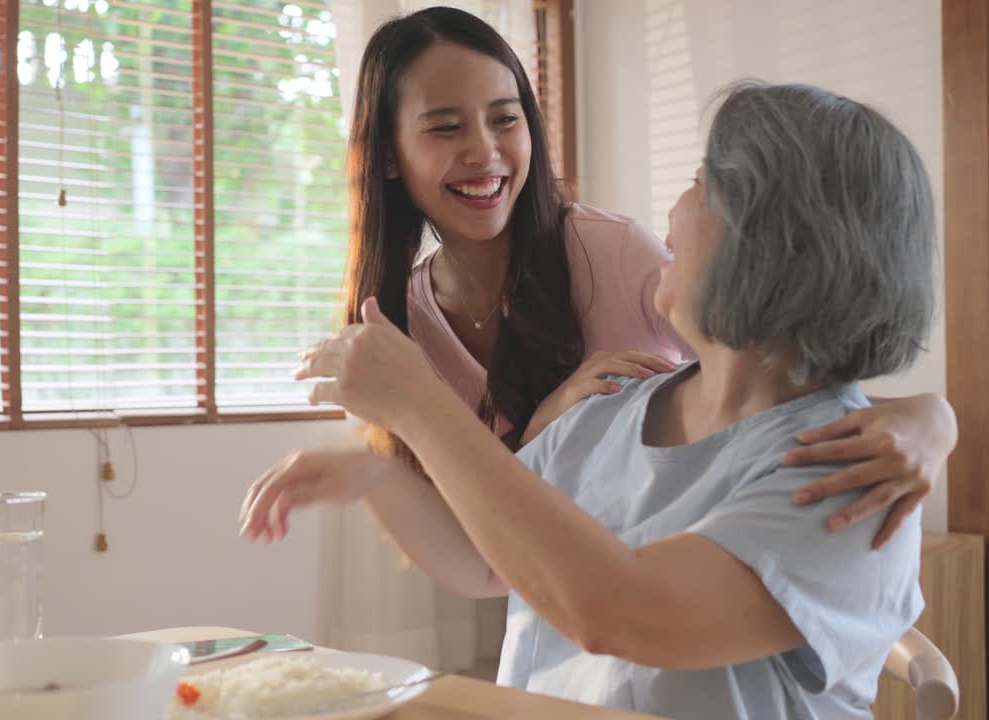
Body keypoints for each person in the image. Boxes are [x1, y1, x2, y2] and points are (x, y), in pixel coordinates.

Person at [246, 80, 936, 719]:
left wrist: (421, 407)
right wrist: (375, 473)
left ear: (776, 240)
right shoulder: (608, 408)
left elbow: (625, 613)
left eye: (702, 185)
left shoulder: (852, 472)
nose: (673, 207)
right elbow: (490, 558)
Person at [340, 7, 951, 544]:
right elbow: (469, 540)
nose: (485, 151)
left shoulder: (611, 251)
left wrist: (931, 420)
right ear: (389, 154)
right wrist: (544, 429)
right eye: (446, 127)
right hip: (547, 599)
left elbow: (782, 376)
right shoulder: (403, 322)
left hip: (682, 560)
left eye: (505, 118)